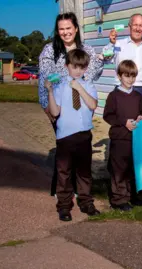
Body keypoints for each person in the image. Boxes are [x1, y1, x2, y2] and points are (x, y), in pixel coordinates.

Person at [39, 12, 104, 197]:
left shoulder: (88, 50)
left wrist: (102, 61)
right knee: (64, 153)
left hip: (82, 108)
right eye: (61, 29)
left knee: (81, 151)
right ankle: (62, 191)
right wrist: (47, 108)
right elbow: (44, 79)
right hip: (60, 109)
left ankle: (79, 190)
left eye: (69, 28)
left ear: (76, 29)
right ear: (57, 31)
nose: (66, 32)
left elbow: (92, 75)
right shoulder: (50, 51)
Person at [45, 49, 100, 221]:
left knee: (84, 171)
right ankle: (64, 205)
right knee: (64, 172)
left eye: (82, 68)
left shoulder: (89, 85)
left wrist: (80, 88)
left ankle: (85, 202)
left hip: (83, 135)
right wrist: (50, 92)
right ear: (67, 66)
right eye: (74, 67)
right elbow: (55, 111)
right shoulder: (60, 87)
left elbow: (92, 105)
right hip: (65, 137)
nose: (78, 71)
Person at [103, 60, 142, 211]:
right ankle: (118, 199)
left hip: (135, 139)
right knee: (119, 169)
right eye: (126, 76)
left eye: (133, 76)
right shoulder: (113, 96)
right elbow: (108, 116)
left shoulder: (138, 96)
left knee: (132, 168)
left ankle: (132, 196)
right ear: (119, 76)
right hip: (119, 138)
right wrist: (124, 122)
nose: (130, 79)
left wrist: (141, 117)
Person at [105, 13, 142, 120]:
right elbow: (106, 59)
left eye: (141, 25)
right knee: (122, 124)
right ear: (129, 26)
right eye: (135, 25)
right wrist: (111, 44)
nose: (138, 28)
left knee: (141, 127)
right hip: (121, 90)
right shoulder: (118, 44)